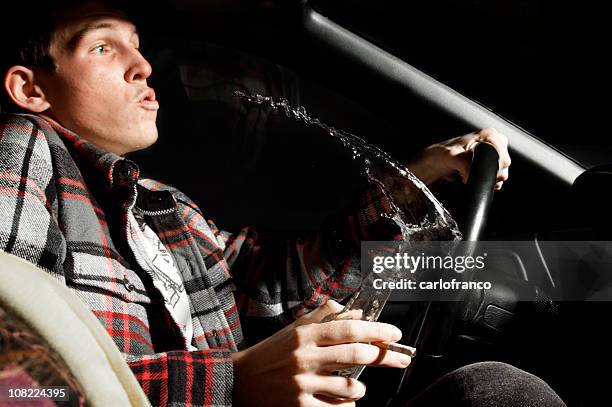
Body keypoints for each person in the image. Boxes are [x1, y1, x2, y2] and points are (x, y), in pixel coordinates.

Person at [0, 1, 564, 407]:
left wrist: (409, 183)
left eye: (137, 44)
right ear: (31, 90)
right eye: (103, 46)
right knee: (493, 391)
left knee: (485, 388)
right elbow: (18, 385)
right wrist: (232, 386)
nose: (143, 65)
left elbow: (273, 287)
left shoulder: (163, 207)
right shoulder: (23, 148)